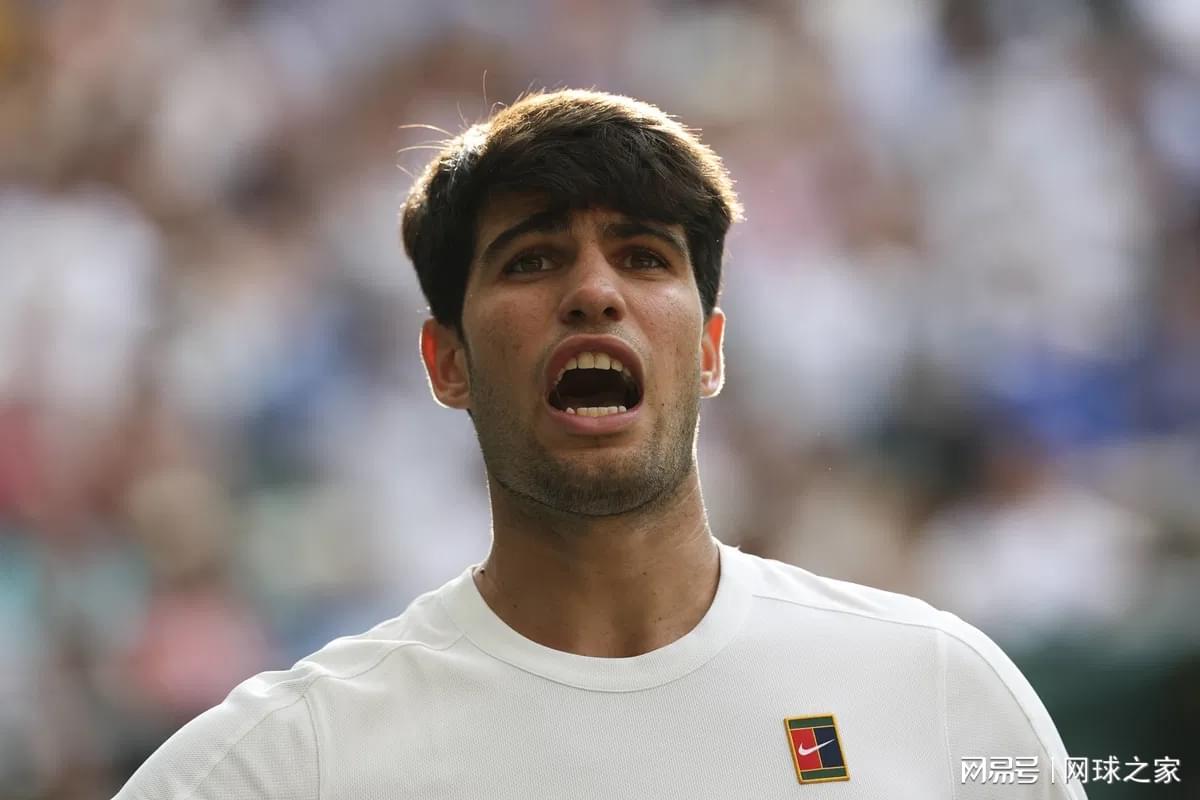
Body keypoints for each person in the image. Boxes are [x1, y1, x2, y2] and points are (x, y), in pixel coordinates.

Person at [115, 89, 1086, 799]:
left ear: (709, 348)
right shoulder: (298, 758)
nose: (593, 292)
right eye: (533, 259)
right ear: (446, 363)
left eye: (643, 257)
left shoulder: (939, 688)